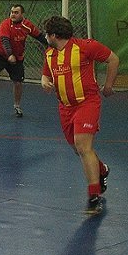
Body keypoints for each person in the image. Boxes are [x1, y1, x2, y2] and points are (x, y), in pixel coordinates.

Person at [40, 15, 118, 215]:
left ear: (54, 35)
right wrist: (44, 81)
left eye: (47, 34)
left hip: (87, 102)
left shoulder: (85, 47)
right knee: (78, 149)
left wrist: (108, 86)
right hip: (65, 107)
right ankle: (102, 170)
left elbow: (113, 59)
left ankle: (94, 197)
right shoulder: (49, 54)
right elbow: (46, 74)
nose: (45, 37)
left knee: (83, 146)